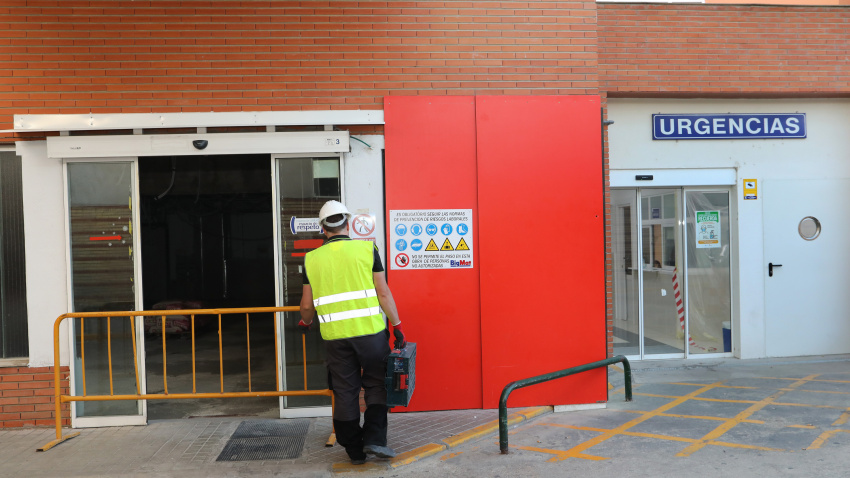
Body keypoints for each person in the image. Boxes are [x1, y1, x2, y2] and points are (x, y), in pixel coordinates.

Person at [298, 200, 407, 465]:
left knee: (345, 391)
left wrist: (306, 321)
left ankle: (354, 450)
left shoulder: (311, 258)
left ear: (323, 229)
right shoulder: (367, 248)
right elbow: (383, 292)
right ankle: (375, 440)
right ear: (347, 224)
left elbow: (306, 306)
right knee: (376, 385)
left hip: (336, 338)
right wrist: (397, 326)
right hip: (371, 335)